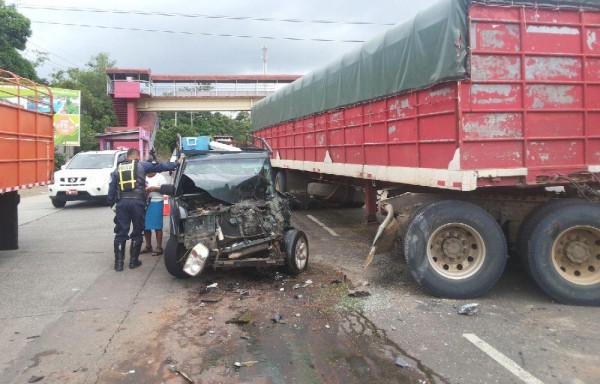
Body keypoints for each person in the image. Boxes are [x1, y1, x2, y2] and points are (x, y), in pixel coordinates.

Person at [107, 148, 179, 272]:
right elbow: (161, 166)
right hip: (137, 203)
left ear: (127, 157)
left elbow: (111, 192)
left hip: (122, 203)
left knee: (121, 233)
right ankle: (133, 262)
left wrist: (113, 205)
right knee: (137, 230)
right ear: (137, 157)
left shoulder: (116, 170)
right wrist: (177, 163)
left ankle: (118, 264)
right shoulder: (142, 166)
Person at [141, 172, 167, 256]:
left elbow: (166, 189)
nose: (149, 171)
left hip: (157, 201)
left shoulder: (160, 177)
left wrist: (155, 189)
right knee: (145, 225)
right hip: (144, 202)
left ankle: (159, 247)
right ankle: (148, 246)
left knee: (157, 225)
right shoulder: (142, 176)